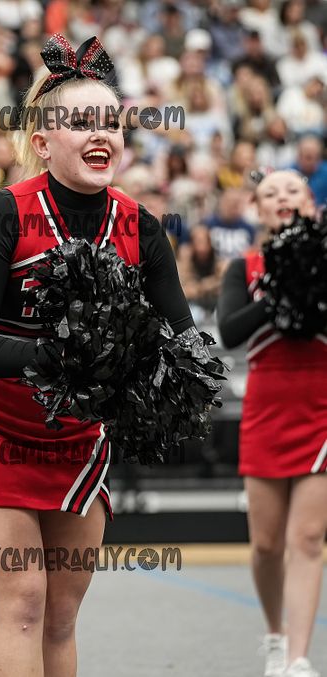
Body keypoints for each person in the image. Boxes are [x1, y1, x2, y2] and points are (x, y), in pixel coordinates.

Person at [0, 33, 195, 677]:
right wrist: (67, 354)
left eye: (110, 121)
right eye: (80, 122)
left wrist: (148, 380)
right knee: (23, 600)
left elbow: (183, 346)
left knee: (60, 614)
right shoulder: (3, 214)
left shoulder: (142, 227)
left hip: (75, 438)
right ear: (43, 141)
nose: (100, 133)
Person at [217, 169, 327, 677]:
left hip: (321, 405)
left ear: (310, 203)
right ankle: (275, 637)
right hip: (267, 406)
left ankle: (300, 658)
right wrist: (279, 290)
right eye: (270, 193)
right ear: (258, 210)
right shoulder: (244, 267)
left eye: (292, 190)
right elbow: (230, 332)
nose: (282, 197)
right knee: (266, 544)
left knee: (308, 539)